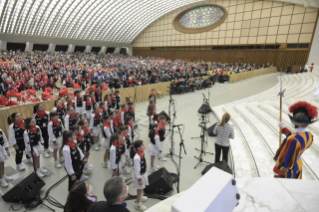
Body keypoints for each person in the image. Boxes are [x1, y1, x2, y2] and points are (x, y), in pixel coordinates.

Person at [274, 101, 317, 179]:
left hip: (289, 170)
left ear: (296, 123)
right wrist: (284, 128)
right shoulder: (309, 136)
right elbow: (298, 138)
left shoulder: (292, 140)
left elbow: (286, 158)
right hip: (298, 166)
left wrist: (278, 170)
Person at [132, 140, 149, 211]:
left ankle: (140, 197)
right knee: (140, 189)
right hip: (139, 176)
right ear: (138, 148)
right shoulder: (137, 157)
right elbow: (136, 170)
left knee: (140, 189)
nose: (144, 145)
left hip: (142, 174)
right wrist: (139, 179)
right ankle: (138, 204)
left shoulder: (141, 153)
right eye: (142, 145)